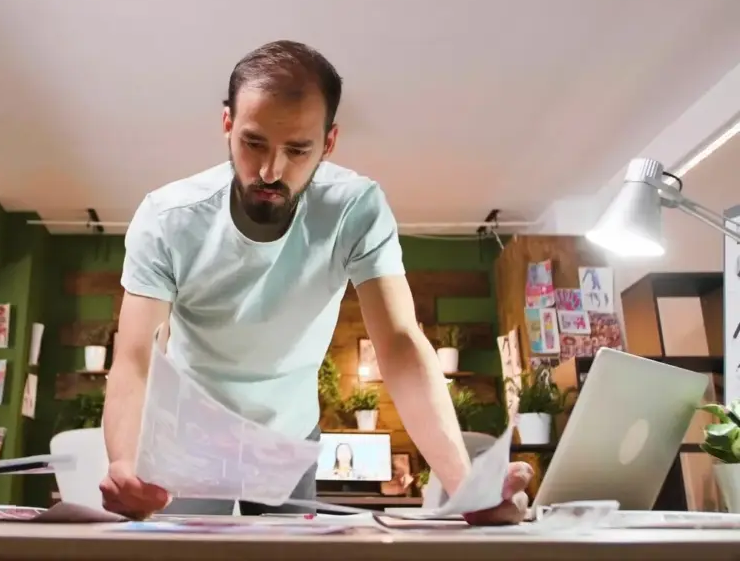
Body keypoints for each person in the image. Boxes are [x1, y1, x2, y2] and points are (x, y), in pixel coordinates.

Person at [99, 40, 532, 524]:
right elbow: (135, 357)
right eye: (253, 143)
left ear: (328, 143)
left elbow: (399, 342)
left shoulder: (355, 209)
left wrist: (466, 489)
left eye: (298, 149)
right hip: (190, 433)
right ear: (227, 124)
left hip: (289, 437)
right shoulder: (168, 218)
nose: (270, 171)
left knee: (290, 554)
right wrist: (125, 464)